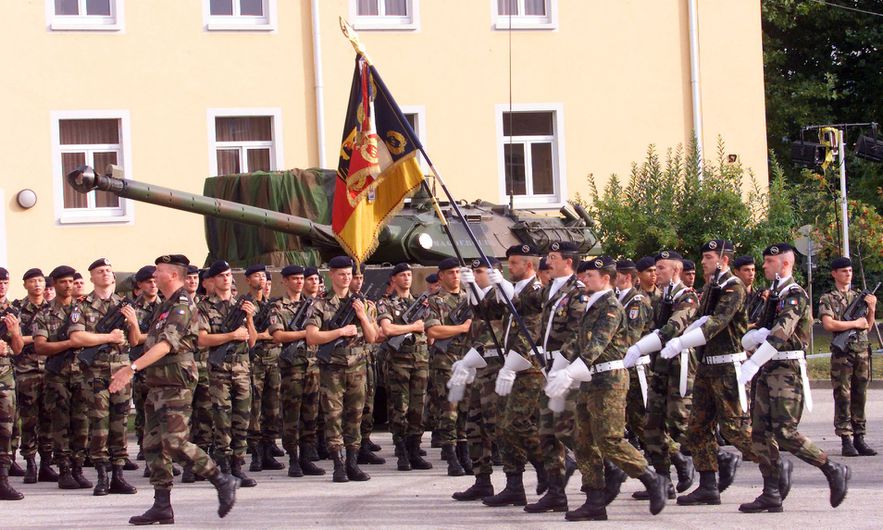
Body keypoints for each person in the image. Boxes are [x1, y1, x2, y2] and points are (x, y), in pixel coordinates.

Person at [108, 254, 238, 524]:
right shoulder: (163, 306)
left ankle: (222, 480)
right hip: (158, 383)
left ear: (173, 275)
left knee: (176, 443)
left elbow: (166, 345)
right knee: (153, 444)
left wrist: (130, 369)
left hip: (175, 382)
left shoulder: (181, 305)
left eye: (159, 270)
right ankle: (162, 505)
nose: (155, 274)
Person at [546, 255, 667, 521]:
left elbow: (596, 345)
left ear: (605, 279)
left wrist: (569, 373)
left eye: (590, 276)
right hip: (590, 380)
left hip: (609, 379)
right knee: (584, 441)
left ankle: (651, 478)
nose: (584, 279)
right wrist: (556, 368)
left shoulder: (611, 307)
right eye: (584, 275)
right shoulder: (592, 305)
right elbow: (576, 343)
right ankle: (594, 500)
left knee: (610, 439)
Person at [736, 243, 850, 512]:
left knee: (785, 433)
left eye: (768, 261)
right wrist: (752, 339)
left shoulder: (795, 295)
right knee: (760, 434)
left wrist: (752, 363)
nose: (763, 266)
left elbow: (781, 333)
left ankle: (832, 468)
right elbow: (762, 328)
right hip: (768, 369)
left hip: (786, 371)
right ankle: (771, 492)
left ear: (784, 264)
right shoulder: (774, 294)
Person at [661, 240, 755, 506]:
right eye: (703, 256)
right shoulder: (710, 287)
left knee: (736, 430)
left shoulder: (733, 287)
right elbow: (699, 320)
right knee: (697, 428)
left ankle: (775, 469)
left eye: (708, 257)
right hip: (707, 365)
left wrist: (681, 342)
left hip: (727, 366)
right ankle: (708, 485)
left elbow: (716, 324)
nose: (703, 262)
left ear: (723, 260)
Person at [624, 251, 697, 501]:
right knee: (652, 424)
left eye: (662, 268)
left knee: (679, 423)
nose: (657, 272)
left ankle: (713, 462)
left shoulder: (686, 296)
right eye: (654, 268)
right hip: (659, 366)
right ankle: (662, 482)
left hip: (679, 366)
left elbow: (673, 327)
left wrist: (641, 347)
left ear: (675, 271)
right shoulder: (661, 297)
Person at [305, 256, 378, 483]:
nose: (346, 278)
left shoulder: (363, 303)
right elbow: (312, 337)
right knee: (333, 417)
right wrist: (340, 332)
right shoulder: (320, 304)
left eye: (349, 274)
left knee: (355, 417)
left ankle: (352, 464)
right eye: (341, 274)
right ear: (332, 275)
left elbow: (373, 337)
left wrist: (362, 317)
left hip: (357, 368)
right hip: (332, 369)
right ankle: (338, 464)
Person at [69, 258, 139, 496]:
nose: (106, 274)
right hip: (96, 374)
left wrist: (133, 323)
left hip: (121, 370)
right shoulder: (82, 306)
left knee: (119, 424)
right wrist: (108, 337)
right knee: (99, 425)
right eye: (100, 271)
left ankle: (118, 475)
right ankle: (101, 475)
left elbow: (135, 340)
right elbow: (77, 338)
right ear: (92, 277)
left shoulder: (124, 304)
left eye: (109, 270)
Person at [197, 260, 258, 488]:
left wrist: (250, 319)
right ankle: (223, 467)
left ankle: (238, 466)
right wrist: (230, 336)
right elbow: (202, 339)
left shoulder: (240, 305)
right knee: (222, 420)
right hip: (219, 371)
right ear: (212, 280)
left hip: (242, 370)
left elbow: (252, 341)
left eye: (229, 275)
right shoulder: (204, 307)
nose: (226, 279)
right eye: (221, 275)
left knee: (242, 418)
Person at [33, 266, 92, 490]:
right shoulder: (45, 314)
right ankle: (64, 469)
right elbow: (40, 346)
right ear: (55, 284)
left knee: (82, 422)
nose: (68, 286)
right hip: (57, 375)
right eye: (63, 282)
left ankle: (78, 467)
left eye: (71, 281)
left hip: (82, 373)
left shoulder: (84, 310)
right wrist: (70, 343)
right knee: (60, 423)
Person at [269, 265, 325, 478]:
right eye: (294, 278)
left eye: (301, 278)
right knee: (292, 416)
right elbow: (278, 336)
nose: (299, 282)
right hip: (292, 369)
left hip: (312, 366)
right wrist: (306, 333)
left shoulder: (313, 306)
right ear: (284, 281)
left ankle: (307, 457)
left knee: (310, 415)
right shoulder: (278, 307)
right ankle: (293, 458)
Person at [377, 262, 433, 472]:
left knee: (418, 409)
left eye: (409, 274)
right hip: (398, 362)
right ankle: (402, 452)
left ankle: (414, 450)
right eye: (402, 275)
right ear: (393, 279)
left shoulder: (421, 302)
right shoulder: (386, 303)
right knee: (399, 407)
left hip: (420, 360)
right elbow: (387, 329)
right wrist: (414, 327)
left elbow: (431, 330)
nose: (406, 278)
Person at [818, 256, 877, 457]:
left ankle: (860, 437)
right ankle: (845, 438)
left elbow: (867, 326)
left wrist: (872, 308)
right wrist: (854, 324)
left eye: (850, 271)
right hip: (842, 354)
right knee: (842, 395)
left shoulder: (858, 296)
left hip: (861, 351)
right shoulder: (828, 298)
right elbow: (829, 324)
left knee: (860, 395)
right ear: (834, 273)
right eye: (844, 271)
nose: (848, 274)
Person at [425, 257, 473, 477]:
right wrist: (462, 328)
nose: (455, 276)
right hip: (445, 361)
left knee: (465, 409)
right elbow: (433, 331)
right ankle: (451, 456)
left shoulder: (469, 299)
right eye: (450, 273)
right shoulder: (434, 301)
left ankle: (465, 454)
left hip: (468, 361)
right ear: (441, 275)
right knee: (449, 410)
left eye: (457, 272)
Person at [10, 268, 56, 484]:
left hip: (50, 368)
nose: (37, 284)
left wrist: (33, 338)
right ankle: (30, 462)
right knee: (28, 419)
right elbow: (14, 341)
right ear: (25, 284)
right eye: (32, 281)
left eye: (40, 281)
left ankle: (46, 463)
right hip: (26, 370)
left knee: (48, 418)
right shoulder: (16, 310)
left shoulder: (52, 308)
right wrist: (39, 339)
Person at [244, 264, 284, 473]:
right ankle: (256, 454)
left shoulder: (272, 306)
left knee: (272, 409)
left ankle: (269, 450)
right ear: (248, 280)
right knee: (255, 409)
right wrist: (265, 334)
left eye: (263, 276)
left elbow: (279, 332)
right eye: (255, 275)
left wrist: (266, 334)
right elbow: (248, 337)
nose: (260, 279)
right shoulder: (243, 305)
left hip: (274, 361)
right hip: (254, 362)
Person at [614, 260, 653, 454]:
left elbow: (631, 336)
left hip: (636, 368)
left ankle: (674, 455)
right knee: (629, 419)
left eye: (616, 274)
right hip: (622, 366)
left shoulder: (637, 302)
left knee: (641, 420)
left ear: (626, 277)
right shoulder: (619, 299)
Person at [352, 264, 385, 466]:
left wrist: (363, 315)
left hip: (366, 361)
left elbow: (374, 336)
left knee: (367, 406)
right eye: (354, 277)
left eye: (360, 277)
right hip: (345, 363)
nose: (357, 281)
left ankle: (364, 444)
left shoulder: (368, 305)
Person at [131, 266, 160, 467]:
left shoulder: (166, 306)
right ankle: (146, 450)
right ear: (139, 285)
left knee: (161, 414)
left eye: (155, 280)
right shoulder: (132, 309)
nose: (153, 284)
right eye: (148, 281)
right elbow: (133, 339)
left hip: (161, 368)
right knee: (143, 412)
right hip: (141, 368)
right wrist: (158, 336)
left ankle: (160, 454)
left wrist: (146, 336)